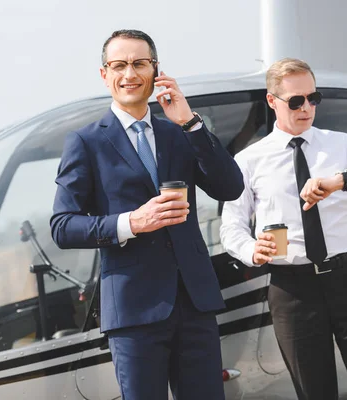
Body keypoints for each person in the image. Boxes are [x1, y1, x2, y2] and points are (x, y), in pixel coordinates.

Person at [50, 29, 244, 399]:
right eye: (119, 65)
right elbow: (62, 226)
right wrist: (132, 223)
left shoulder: (178, 134)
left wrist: (190, 121)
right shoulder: (86, 142)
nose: (130, 74)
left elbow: (230, 187)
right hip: (134, 312)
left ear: (156, 71)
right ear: (104, 74)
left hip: (194, 303)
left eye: (140, 64)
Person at [220, 58, 347, 400]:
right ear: (272, 101)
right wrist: (250, 250)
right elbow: (230, 225)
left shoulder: (342, 144)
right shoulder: (249, 160)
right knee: (314, 393)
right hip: (292, 288)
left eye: (312, 98)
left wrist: (343, 180)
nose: (306, 108)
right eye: (295, 101)